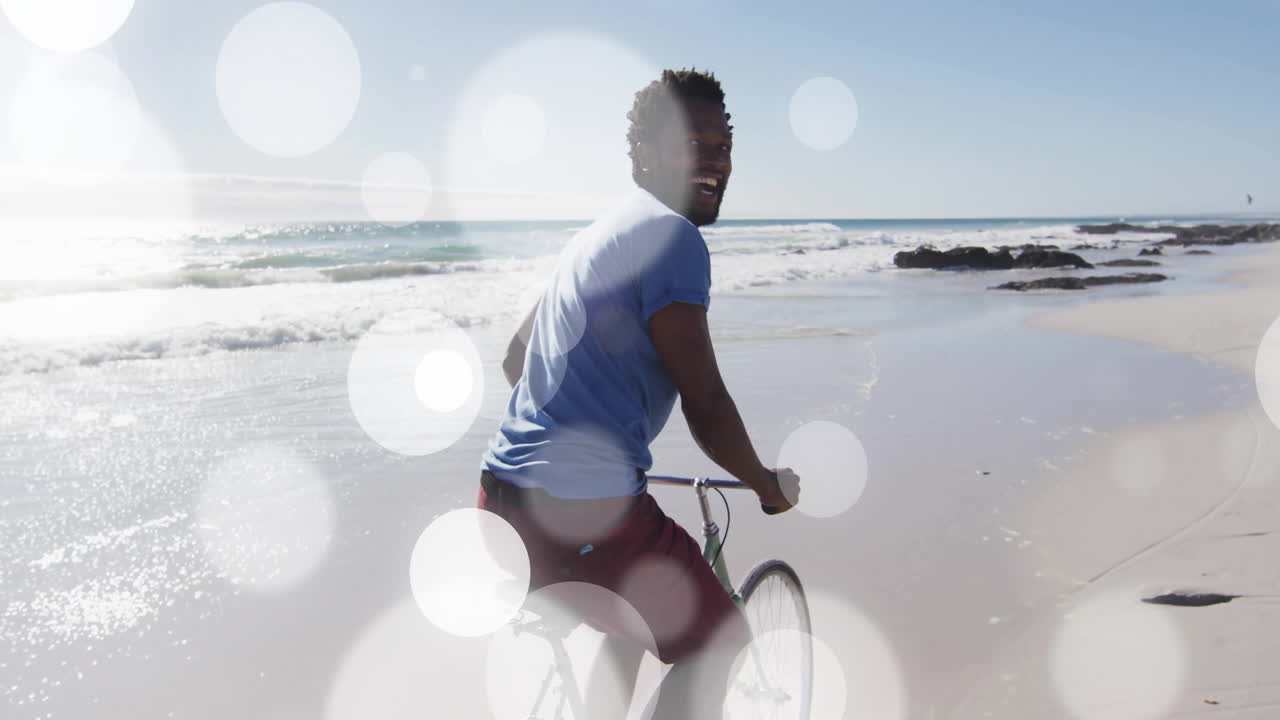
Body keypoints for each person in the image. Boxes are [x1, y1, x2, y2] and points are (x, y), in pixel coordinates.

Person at [478, 68, 801, 719]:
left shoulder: (591, 239)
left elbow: (517, 359)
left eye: (723, 145)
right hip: (581, 518)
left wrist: (578, 436)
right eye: (694, 143)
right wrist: (766, 485)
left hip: (497, 505)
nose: (715, 161)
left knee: (632, 619)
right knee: (719, 642)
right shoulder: (673, 238)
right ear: (647, 154)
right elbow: (706, 407)